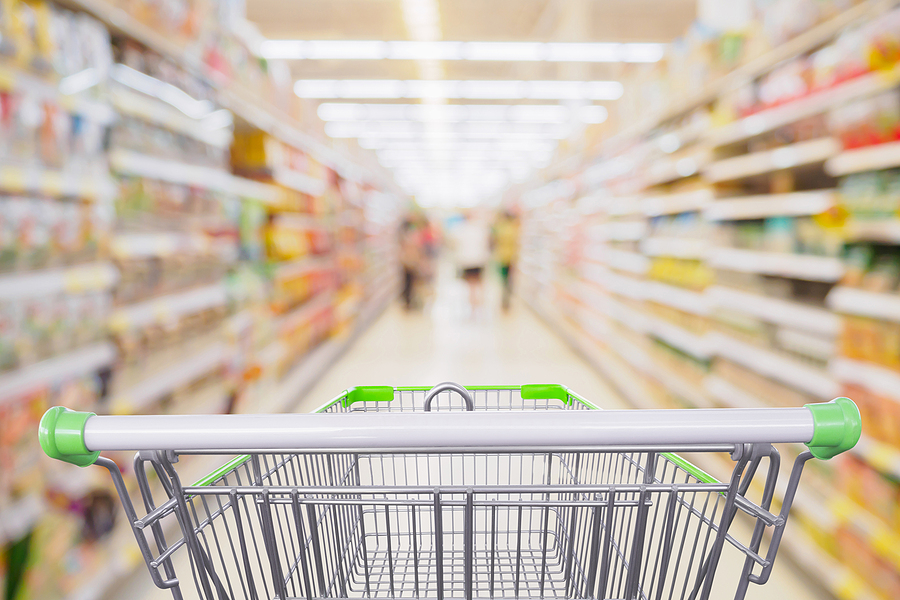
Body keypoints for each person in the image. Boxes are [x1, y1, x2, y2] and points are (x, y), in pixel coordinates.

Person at [453, 211, 491, 313]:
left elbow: (455, 243)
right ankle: (480, 303)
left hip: (466, 261)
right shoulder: (480, 228)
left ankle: (473, 304)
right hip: (478, 260)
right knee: (479, 283)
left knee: (471, 285)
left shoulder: (461, 229)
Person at [492, 210, 520, 311]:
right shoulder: (514, 228)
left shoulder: (500, 228)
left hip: (502, 257)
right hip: (511, 258)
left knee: (503, 280)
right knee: (509, 280)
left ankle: (504, 299)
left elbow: (494, 241)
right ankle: (507, 299)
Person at [399, 218, 421, 311]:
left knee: (409, 282)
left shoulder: (405, 237)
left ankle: (409, 301)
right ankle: (408, 301)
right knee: (408, 282)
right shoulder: (410, 237)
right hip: (409, 263)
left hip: (408, 262)